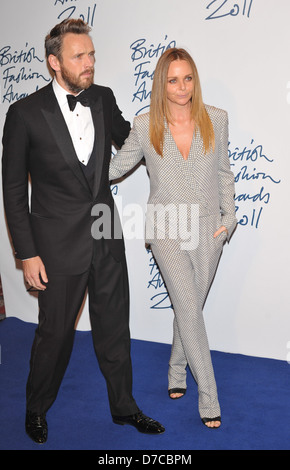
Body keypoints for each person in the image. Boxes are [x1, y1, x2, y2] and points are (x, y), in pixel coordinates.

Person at [2, 19, 165, 444]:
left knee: (115, 328)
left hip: (106, 233)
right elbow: (15, 192)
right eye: (79, 56)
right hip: (54, 245)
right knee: (54, 334)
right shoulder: (24, 114)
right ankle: (36, 408)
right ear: (55, 62)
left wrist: (172, 143)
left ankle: (124, 408)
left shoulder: (103, 99)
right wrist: (27, 254)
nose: (89, 62)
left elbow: (132, 143)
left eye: (91, 54)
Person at [109, 48, 237, 429]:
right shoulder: (146, 124)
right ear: (161, 84)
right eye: (173, 80)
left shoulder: (217, 118)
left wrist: (228, 221)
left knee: (189, 309)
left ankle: (176, 372)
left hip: (208, 228)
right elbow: (115, 167)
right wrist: (72, 163)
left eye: (188, 78)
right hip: (166, 227)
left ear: (194, 80)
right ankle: (209, 397)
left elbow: (224, 173)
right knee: (188, 305)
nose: (181, 87)